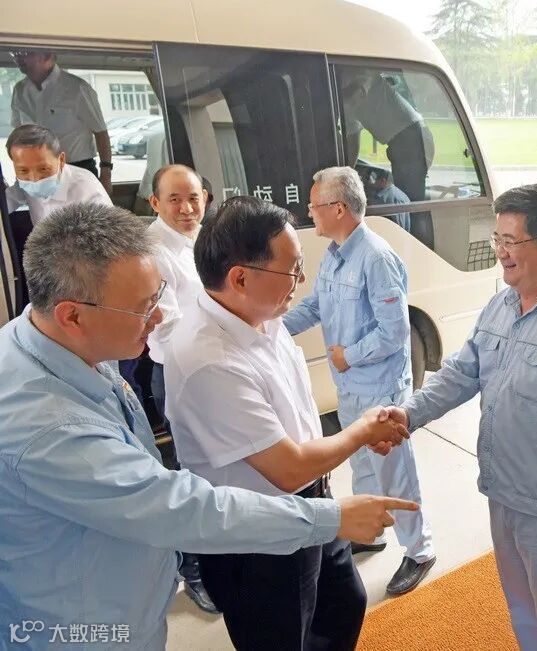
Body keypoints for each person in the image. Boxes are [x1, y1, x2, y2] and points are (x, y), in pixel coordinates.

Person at [0, 203, 417, 650]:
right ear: (72, 315)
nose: (159, 318)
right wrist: (332, 516)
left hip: (141, 593)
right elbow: (181, 509)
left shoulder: (65, 345)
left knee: (340, 608)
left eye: (159, 296)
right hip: (84, 626)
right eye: (143, 308)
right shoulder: (47, 427)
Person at [164, 195, 411, 651]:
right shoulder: (208, 359)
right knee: (284, 637)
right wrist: (362, 431)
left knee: (343, 605)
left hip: (310, 501)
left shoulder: (260, 313)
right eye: (293, 269)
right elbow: (289, 468)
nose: (300, 279)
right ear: (240, 278)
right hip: (260, 540)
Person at [385, 184, 537, 650]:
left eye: (510, 240)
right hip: (503, 495)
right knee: (523, 612)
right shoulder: (502, 304)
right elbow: (461, 372)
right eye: (497, 238)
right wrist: (408, 414)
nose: (500, 251)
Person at [284, 167, 435, 595]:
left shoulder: (375, 257)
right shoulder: (335, 254)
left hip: (379, 389)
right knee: (363, 465)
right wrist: (270, 327)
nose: (309, 211)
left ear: (338, 208)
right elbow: (315, 306)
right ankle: (372, 533)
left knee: (396, 472)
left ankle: (420, 550)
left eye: (314, 205)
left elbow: (394, 332)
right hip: (351, 386)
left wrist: (347, 355)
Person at [144, 164, 217, 613]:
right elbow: (168, 325)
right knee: (188, 473)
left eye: (193, 197)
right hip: (178, 373)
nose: (187, 208)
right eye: (174, 199)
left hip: (215, 367)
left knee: (218, 464)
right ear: (155, 203)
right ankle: (193, 572)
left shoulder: (206, 239)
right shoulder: (152, 250)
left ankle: (220, 557)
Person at [9, 50, 114, 193]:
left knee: (82, 209)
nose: (17, 57)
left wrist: (106, 176)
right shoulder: (20, 90)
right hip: (37, 173)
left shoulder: (77, 88)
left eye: (24, 53)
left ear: (47, 55)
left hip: (77, 170)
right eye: (15, 53)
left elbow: (100, 132)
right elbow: (18, 134)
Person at [341, 69, 434, 203]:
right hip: (405, 139)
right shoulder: (348, 105)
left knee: (408, 204)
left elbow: (361, 88)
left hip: (413, 138)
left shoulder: (362, 75)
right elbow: (352, 143)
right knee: (405, 200)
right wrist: (346, 175)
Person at [5, 124, 110, 225]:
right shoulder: (24, 184)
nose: (34, 179)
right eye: (23, 170)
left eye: (43, 169)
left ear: (61, 160)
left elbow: (108, 233)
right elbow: (8, 201)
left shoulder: (87, 190)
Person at [369, 167, 412, 231]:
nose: (370, 183)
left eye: (374, 181)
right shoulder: (386, 195)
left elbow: (399, 229)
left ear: (383, 181)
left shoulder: (395, 198)